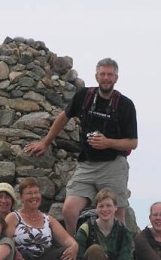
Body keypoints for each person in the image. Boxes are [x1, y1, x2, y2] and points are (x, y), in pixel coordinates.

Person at [24, 58, 138, 235]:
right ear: (96, 76)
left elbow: (133, 142)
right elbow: (64, 116)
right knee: (69, 209)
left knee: (117, 214)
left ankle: (120, 255)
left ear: (116, 78)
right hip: (86, 165)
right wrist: (45, 142)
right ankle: (76, 247)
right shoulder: (84, 96)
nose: (106, 78)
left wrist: (107, 142)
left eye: (110, 75)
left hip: (113, 165)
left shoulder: (125, 105)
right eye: (103, 74)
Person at [4, 177, 79, 260]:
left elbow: (67, 240)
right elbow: (4, 243)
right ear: (21, 197)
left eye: (36, 192)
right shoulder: (13, 217)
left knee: (66, 252)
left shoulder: (48, 219)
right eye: (29, 193)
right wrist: (20, 259)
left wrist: (74, 246)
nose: (34, 196)